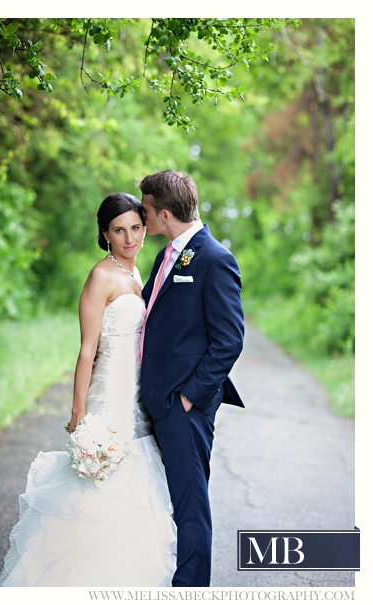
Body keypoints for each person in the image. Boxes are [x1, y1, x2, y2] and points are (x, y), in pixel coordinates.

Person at [0, 193, 177, 587]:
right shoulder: (101, 276)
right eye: (118, 230)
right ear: (105, 234)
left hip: (136, 396)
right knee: (100, 485)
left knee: (132, 486)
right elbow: (86, 351)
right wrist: (78, 412)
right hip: (108, 392)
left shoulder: (136, 274)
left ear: (145, 228)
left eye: (135, 227)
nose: (129, 237)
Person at [138, 169, 244, 587]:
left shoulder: (215, 259)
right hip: (155, 399)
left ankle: (191, 589)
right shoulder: (168, 254)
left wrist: (189, 397)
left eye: (145, 211)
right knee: (161, 498)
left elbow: (229, 341)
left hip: (184, 407)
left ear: (164, 214)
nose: (142, 219)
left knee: (190, 503)